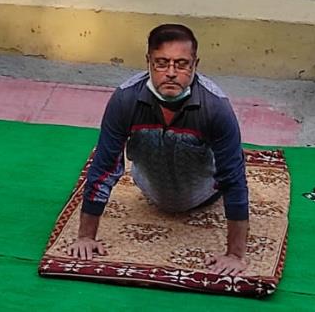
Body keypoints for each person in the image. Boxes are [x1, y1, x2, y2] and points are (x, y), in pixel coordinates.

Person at [67, 23, 249, 276]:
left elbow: (233, 179)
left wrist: (234, 254)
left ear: (195, 64)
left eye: (181, 64)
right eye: (162, 63)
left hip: (205, 194)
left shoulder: (216, 107)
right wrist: (86, 237)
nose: (171, 73)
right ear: (148, 62)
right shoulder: (125, 99)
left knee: (233, 164)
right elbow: (104, 168)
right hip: (149, 190)